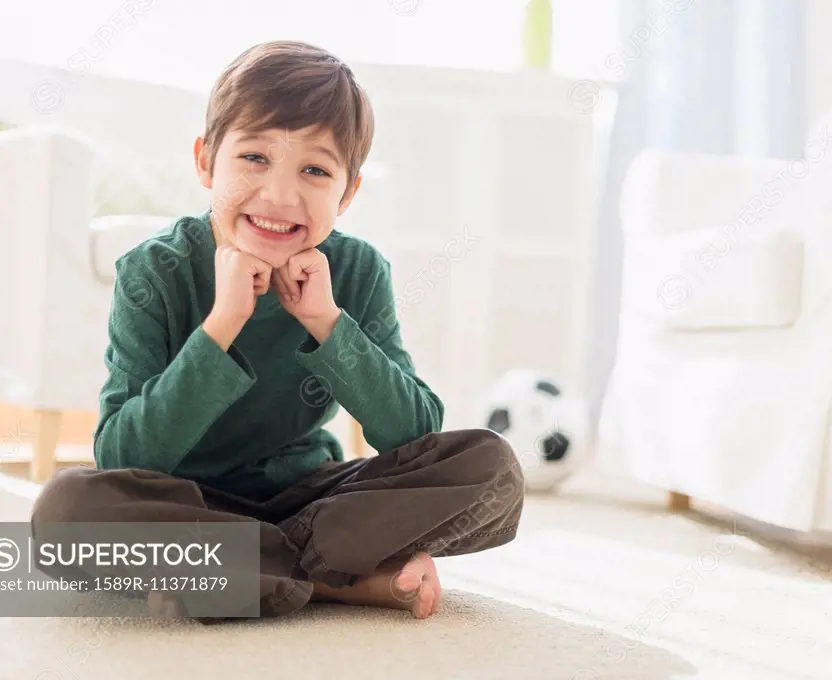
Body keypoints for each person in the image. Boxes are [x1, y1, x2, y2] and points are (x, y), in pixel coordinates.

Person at [29, 40, 524, 622]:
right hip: (189, 503)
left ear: (348, 192)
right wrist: (222, 325)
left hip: (311, 495)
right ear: (206, 161)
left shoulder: (358, 270)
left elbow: (413, 434)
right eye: (254, 159)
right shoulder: (152, 271)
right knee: (66, 513)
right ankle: (337, 581)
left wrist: (326, 322)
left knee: (492, 468)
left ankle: (251, 572)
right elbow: (121, 456)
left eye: (314, 170)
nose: (280, 196)